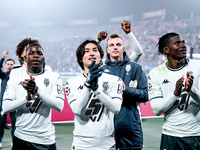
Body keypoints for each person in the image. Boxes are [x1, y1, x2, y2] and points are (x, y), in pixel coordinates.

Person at [2, 43, 64, 150]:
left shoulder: (53, 76)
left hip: (46, 140)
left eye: (39, 53)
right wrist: (26, 98)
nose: (36, 55)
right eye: (31, 53)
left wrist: (37, 91)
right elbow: (6, 107)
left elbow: (59, 106)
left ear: (43, 58)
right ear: (25, 58)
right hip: (21, 138)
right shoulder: (16, 75)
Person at [64, 39, 123, 149]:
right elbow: (77, 110)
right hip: (81, 145)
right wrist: (88, 85)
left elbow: (116, 108)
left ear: (101, 56)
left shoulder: (115, 80)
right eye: (86, 51)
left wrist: (97, 90)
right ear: (80, 59)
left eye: (95, 50)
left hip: (107, 144)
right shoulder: (71, 82)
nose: (91, 53)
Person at [148, 32, 200, 150]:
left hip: (196, 135)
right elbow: (156, 109)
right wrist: (175, 93)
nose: (183, 46)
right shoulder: (155, 73)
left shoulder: (198, 66)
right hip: (170, 135)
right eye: (177, 43)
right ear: (166, 49)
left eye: (183, 42)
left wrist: (191, 90)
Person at [102, 32, 148, 149]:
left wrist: (126, 89)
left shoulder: (135, 68)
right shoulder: (101, 70)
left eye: (118, 44)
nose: (115, 47)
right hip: (106, 130)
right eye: (112, 45)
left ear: (123, 48)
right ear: (107, 50)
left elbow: (145, 95)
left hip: (131, 128)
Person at [0, 50, 16, 149]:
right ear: (5, 66)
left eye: (11, 64)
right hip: (3, 104)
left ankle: (14, 141)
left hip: (14, 103)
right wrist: (2, 58)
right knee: (0, 123)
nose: (10, 66)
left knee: (14, 124)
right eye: (8, 64)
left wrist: (20, 59)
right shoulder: (3, 75)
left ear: (14, 66)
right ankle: (0, 141)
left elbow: (24, 68)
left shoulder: (17, 76)